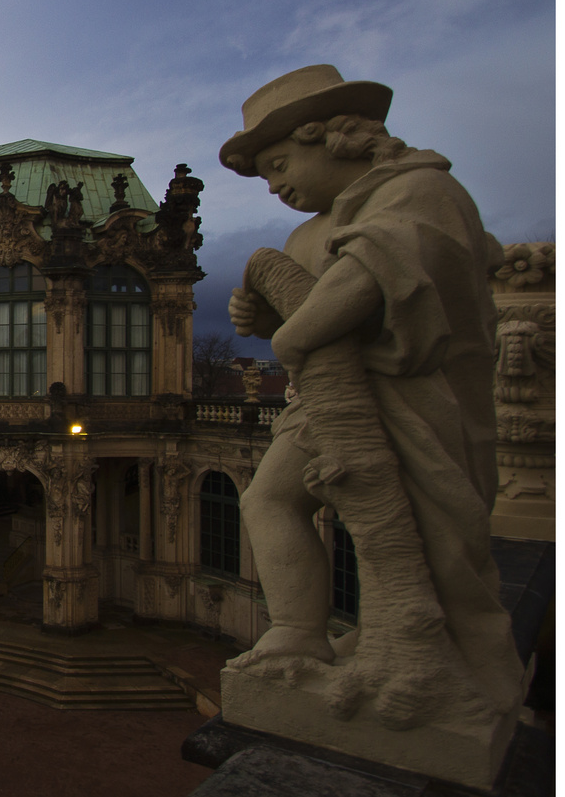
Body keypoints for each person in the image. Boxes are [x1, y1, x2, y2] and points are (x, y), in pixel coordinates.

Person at [219, 64, 522, 728]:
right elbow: (301, 314)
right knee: (268, 499)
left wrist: (288, 320)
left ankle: (419, 647)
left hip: (414, 397)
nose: (275, 184)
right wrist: (258, 314)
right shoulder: (316, 226)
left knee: (426, 536)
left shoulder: (419, 191)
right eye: (265, 175)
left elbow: (351, 298)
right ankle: (299, 631)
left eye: (277, 163)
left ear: (332, 137)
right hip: (330, 402)